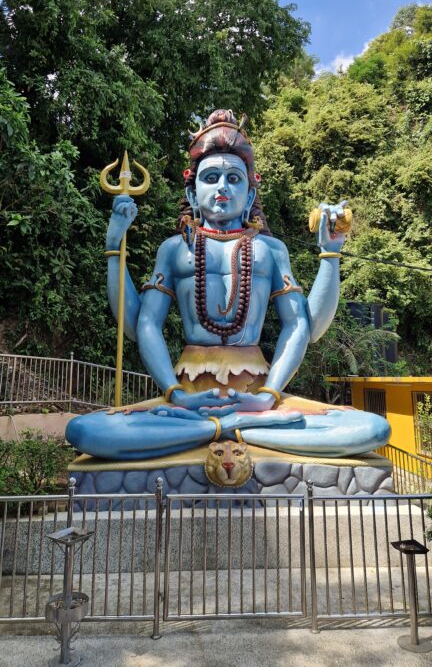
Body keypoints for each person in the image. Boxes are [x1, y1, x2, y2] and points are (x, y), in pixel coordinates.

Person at [66, 110, 390, 459]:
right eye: (211, 177)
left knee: (372, 429)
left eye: (234, 178)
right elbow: (139, 325)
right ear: (193, 194)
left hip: (258, 395)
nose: (222, 187)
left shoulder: (270, 250)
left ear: (249, 196)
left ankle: (220, 428)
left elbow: (303, 327)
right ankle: (235, 428)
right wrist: (114, 247)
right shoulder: (174, 250)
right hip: (187, 396)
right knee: (84, 431)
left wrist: (330, 254)